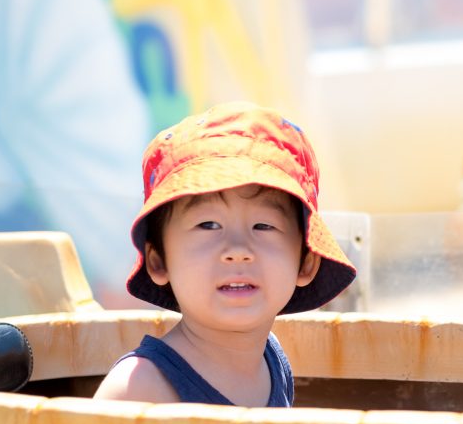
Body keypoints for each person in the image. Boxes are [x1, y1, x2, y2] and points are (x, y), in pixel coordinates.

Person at [94, 101, 356, 406]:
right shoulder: (138, 389)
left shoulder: (273, 363)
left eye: (263, 226)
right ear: (158, 260)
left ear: (306, 262)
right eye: (208, 224)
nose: (237, 251)